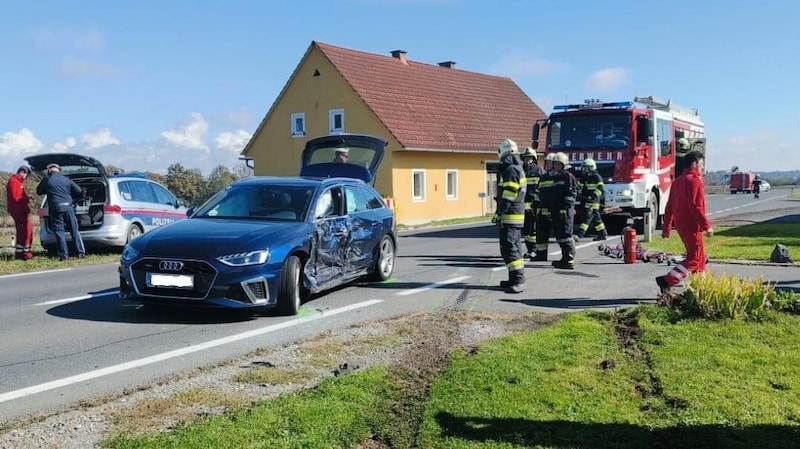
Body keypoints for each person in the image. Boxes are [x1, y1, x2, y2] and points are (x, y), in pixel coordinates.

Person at [656, 150, 712, 294]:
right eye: (701, 165)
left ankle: (700, 288)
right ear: (694, 164)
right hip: (693, 226)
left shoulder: (677, 182)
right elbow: (696, 206)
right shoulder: (695, 180)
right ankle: (668, 280)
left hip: (681, 226)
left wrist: (666, 228)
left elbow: (669, 207)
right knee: (694, 259)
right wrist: (707, 226)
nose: (702, 168)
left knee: (699, 257)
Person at [494, 138, 526, 293]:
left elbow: (509, 194)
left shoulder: (511, 170)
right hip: (512, 215)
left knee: (511, 247)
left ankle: (519, 280)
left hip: (511, 215)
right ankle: (513, 278)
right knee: (510, 247)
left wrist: (501, 212)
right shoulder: (514, 168)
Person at [36, 163, 86, 260]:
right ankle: (80, 253)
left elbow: (39, 192)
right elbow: (79, 191)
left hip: (56, 209)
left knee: (59, 232)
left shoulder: (47, 180)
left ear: (49, 170)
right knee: (74, 231)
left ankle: (64, 256)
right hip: (68, 208)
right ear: (59, 170)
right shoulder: (67, 180)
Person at [550, 152, 579, 269]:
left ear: (564, 165)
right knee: (560, 235)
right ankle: (564, 257)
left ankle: (570, 259)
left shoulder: (568, 176)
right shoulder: (557, 177)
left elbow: (571, 195)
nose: (556, 167)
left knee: (567, 235)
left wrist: (565, 208)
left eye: (558, 164)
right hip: (557, 210)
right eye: (555, 164)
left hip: (565, 211)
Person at [573, 158, 608, 242]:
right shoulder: (585, 177)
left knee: (586, 219)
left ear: (591, 167)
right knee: (596, 219)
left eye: (586, 167)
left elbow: (600, 189)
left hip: (593, 202)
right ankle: (602, 234)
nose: (584, 169)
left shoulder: (597, 177)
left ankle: (579, 235)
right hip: (586, 202)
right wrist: (575, 190)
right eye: (584, 167)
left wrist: (593, 196)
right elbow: (579, 186)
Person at [531, 153, 557, 262]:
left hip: (554, 212)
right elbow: (538, 193)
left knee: (561, 236)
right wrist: (534, 206)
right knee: (541, 236)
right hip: (541, 211)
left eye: (549, 163)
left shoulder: (559, 177)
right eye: (546, 163)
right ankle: (541, 255)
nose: (547, 165)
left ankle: (567, 256)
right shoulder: (543, 178)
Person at [6, 166, 34, 260]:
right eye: (26, 175)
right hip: (19, 210)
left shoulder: (17, 181)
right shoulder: (15, 181)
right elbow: (16, 197)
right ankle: (26, 253)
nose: (26, 178)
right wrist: (27, 198)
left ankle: (20, 253)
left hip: (19, 209)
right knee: (27, 231)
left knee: (22, 231)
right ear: (23, 172)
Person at [520, 147, 541, 257]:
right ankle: (529, 250)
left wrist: (536, 205)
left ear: (534, 159)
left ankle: (534, 250)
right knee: (526, 231)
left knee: (533, 230)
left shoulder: (538, 171)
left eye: (529, 158)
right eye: (525, 158)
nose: (527, 160)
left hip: (534, 206)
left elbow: (541, 189)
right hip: (522, 206)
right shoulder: (520, 171)